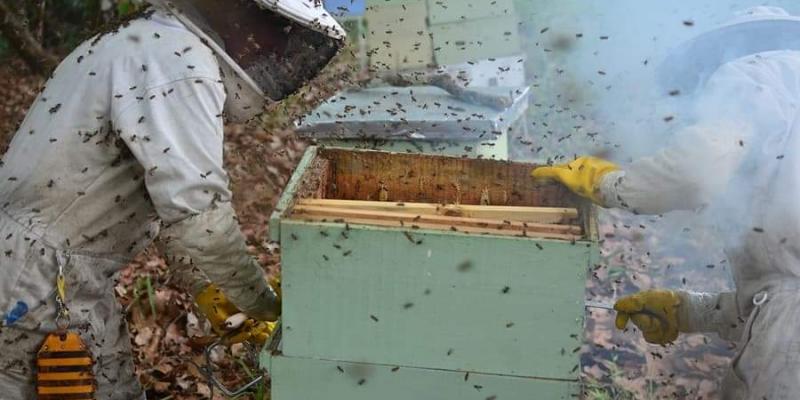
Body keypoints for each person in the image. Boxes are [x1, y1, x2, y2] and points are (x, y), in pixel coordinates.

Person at [0, 0, 344, 398]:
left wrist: (206, 286)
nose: (276, 46)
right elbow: (200, 215)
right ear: (241, 13)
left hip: (47, 272)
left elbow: (168, 203)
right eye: (275, 28)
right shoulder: (179, 63)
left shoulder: (148, 40)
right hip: (39, 283)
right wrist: (262, 306)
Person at [533, 7, 800, 400]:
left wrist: (608, 183)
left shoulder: (756, 74)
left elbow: (696, 172)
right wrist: (689, 311)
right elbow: (781, 293)